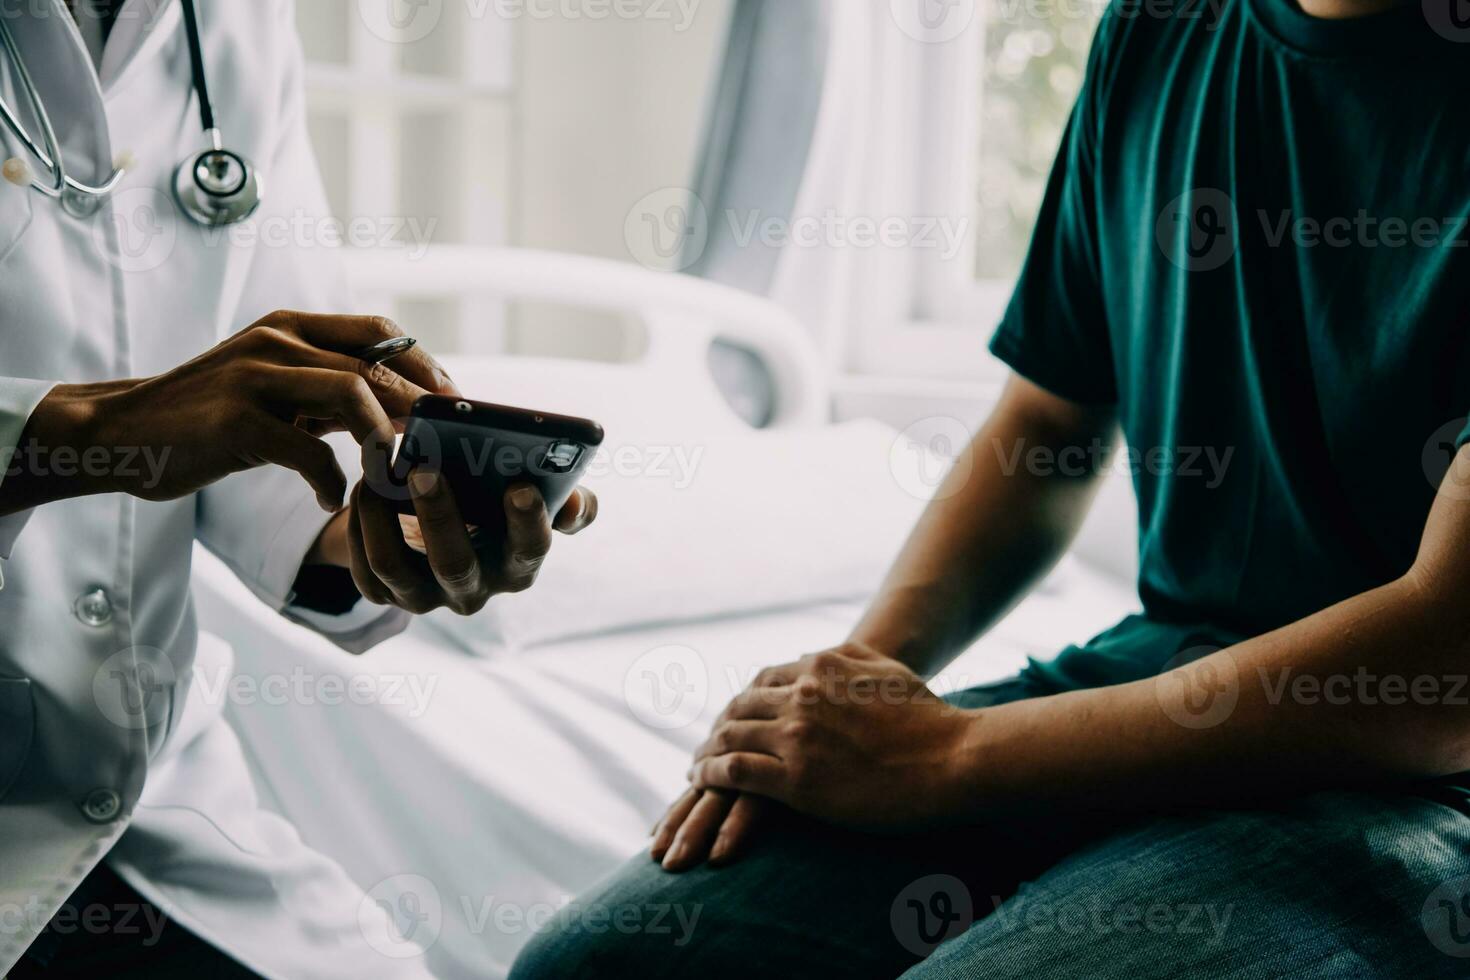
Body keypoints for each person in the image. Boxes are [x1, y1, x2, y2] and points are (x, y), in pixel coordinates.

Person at [512, 0, 1470, 976]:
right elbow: (1045, 427)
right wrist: (845, 703)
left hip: (1416, 783)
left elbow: (1445, 673)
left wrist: (945, 758)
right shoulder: (1159, 26)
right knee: (597, 966)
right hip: (1143, 687)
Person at [0, 1, 594, 976]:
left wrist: (386, 531)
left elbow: (265, 433)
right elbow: (168, 418)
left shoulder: (231, 24)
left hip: (160, 808)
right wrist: (99, 432)